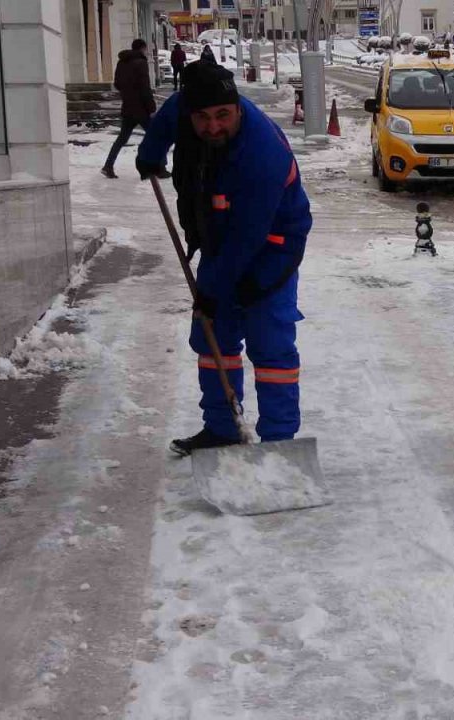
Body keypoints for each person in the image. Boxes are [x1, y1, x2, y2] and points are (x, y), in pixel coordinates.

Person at [135, 61, 313, 456]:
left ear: (236, 108)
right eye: (202, 117)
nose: (212, 126)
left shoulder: (262, 153)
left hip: (273, 244)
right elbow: (169, 115)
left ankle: (279, 442)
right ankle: (222, 428)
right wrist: (150, 153)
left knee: (270, 343)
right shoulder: (188, 106)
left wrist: (212, 289)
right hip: (221, 236)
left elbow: (247, 238)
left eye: (222, 116)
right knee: (212, 336)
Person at [102, 39, 160, 179]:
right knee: (156, 136)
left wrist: (128, 92)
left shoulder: (122, 62)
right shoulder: (141, 63)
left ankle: (108, 166)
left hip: (128, 107)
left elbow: (117, 83)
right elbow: (145, 88)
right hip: (141, 109)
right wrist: (151, 107)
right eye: (145, 49)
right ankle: (159, 168)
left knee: (122, 139)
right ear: (142, 48)